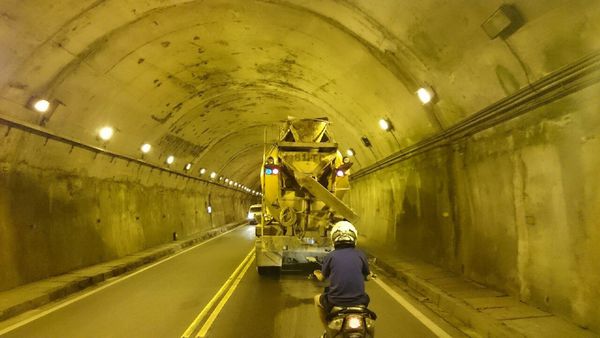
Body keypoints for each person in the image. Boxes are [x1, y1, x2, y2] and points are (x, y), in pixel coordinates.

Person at [313, 220, 373, 336]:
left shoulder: (330, 256)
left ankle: (328, 331)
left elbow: (322, 278)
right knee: (367, 300)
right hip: (359, 301)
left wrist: (316, 273)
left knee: (317, 299)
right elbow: (367, 277)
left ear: (334, 239)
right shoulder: (360, 255)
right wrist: (369, 276)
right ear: (354, 238)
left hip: (335, 301)